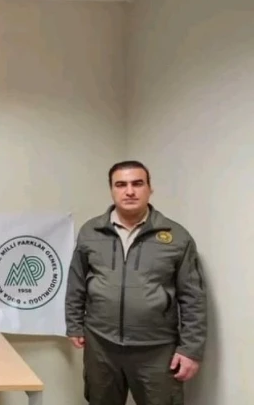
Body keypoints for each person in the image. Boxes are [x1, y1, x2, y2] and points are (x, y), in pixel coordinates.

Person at [65, 160, 207, 405]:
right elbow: (76, 282)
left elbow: (193, 297)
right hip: (101, 347)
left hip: (156, 350)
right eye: (121, 185)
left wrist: (191, 350)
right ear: (112, 190)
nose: (129, 191)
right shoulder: (91, 232)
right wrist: (74, 324)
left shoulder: (176, 237)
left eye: (137, 184)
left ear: (150, 189)